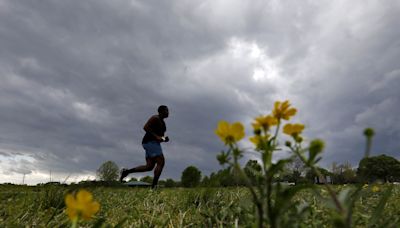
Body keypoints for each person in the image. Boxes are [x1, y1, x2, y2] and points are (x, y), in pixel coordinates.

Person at [120, 105, 169, 188]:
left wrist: (164, 139)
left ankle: (127, 172)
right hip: (149, 142)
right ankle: (153, 187)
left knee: (149, 166)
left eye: (168, 111)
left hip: (153, 143)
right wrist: (156, 137)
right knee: (161, 161)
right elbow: (145, 127)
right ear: (160, 112)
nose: (168, 112)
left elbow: (159, 138)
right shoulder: (155, 118)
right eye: (166, 110)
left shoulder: (163, 124)